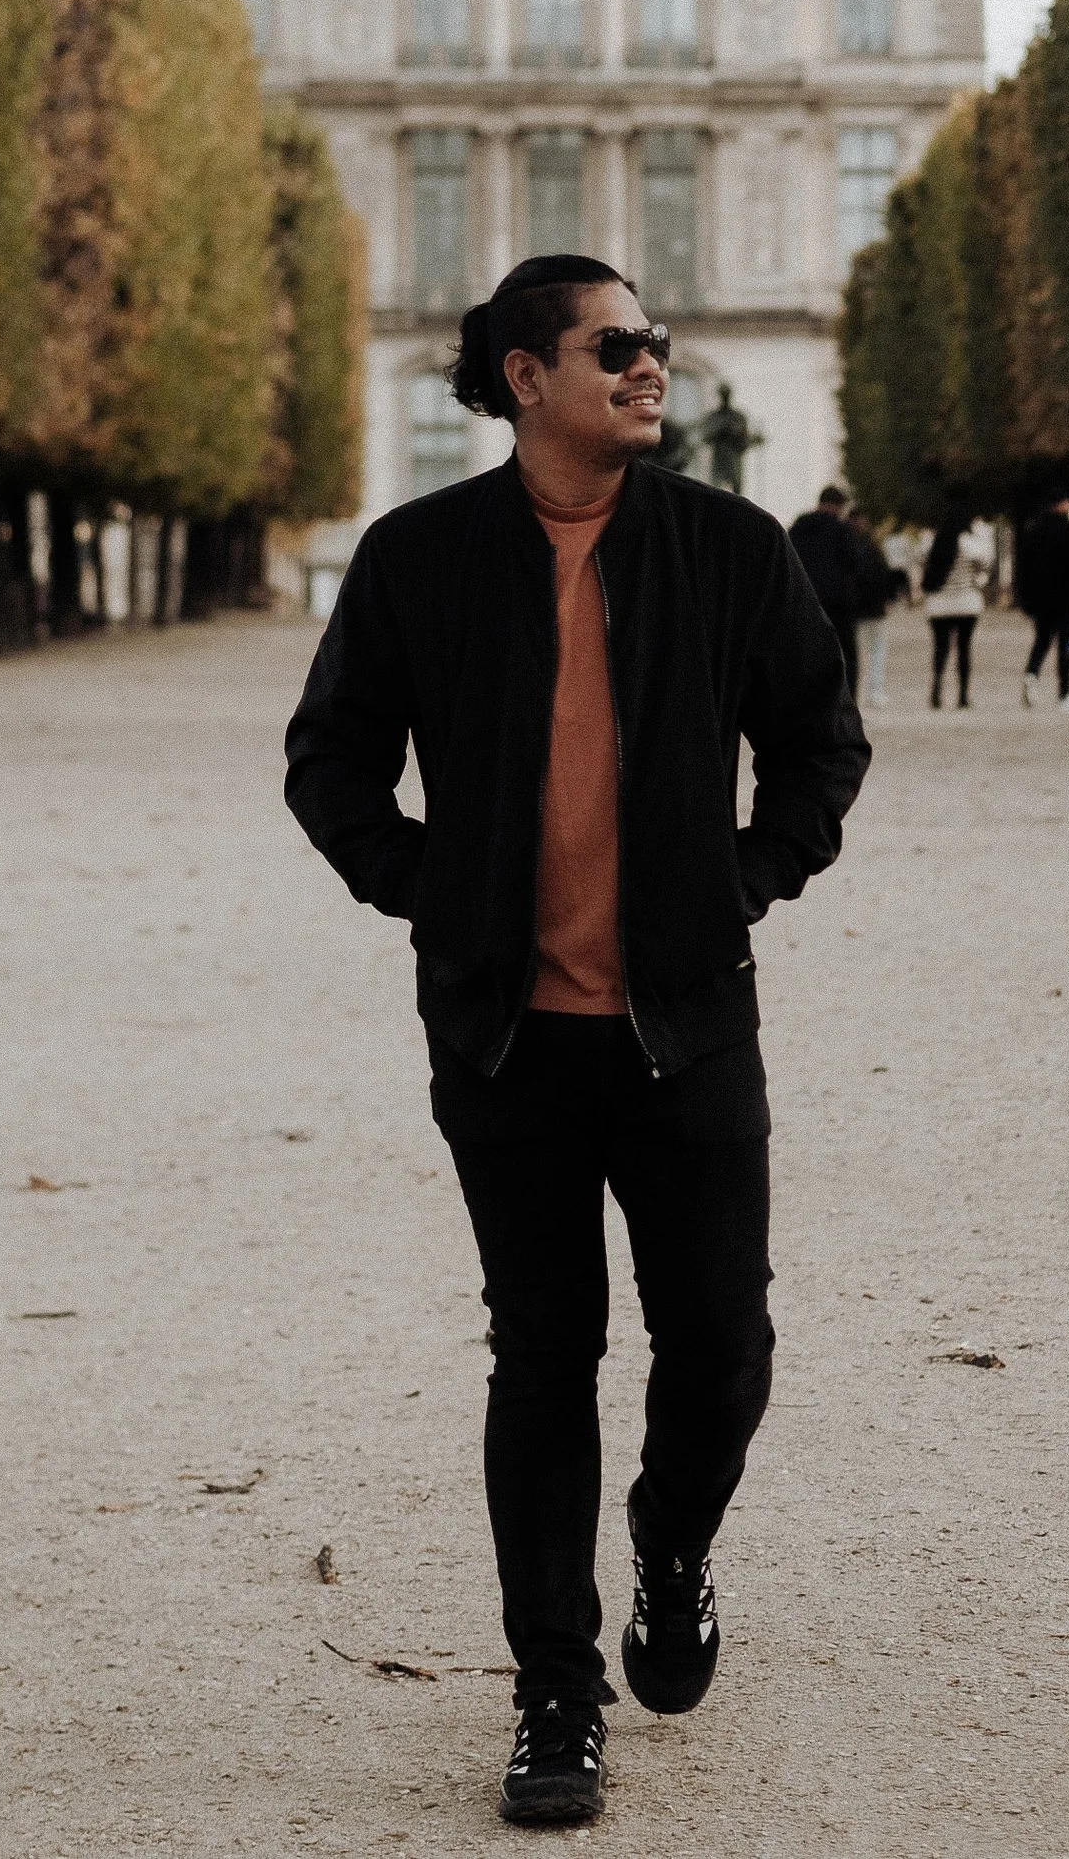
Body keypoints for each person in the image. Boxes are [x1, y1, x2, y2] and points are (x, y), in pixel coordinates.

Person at [283, 256, 869, 1828]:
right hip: (506, 1041)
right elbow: (329, 758)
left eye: (655, 343)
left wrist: (742, 876)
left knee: (725, 1349)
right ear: (526, 374)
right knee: (544, 1356)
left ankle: (671, 1545)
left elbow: (821, 740)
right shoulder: (419, 558)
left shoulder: (727, 548)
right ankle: (555, 1691)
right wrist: (433, 895)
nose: (649, 365)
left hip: (687, 1023)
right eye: (617, 345)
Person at [787, 483, 867, 699]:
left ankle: (808, 697)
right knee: (846, 654)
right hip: (838, 603)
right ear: (839, 506)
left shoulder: (799, 527)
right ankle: (847, 699)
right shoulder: (841, 530)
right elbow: (854, 563)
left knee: (808, 653)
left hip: (805, 600)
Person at [1014, 488, 1069, 711]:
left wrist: (1026, 599)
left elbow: (1023, 568)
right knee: (1066, 644)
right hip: (1066, 598)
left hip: (1041, 599)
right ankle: (1065, 693)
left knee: (1042, 640)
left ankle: (1031, 674)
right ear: (1062, 504)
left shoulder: (1033, 531)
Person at [921, 514, 994, 709]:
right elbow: (984, 565)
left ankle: (936, 689)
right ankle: (962, 695)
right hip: (966, 602)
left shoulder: (933, 541)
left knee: (940, 649)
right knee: (964, 649)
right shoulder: (969, 543)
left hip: (938, 604)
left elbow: (921, 562)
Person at [848, 512, 900, 710]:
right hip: (870, 607)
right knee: (874, 651)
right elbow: (884, 573)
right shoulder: (872, 547)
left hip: (861, 608)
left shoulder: (852, 544)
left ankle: (867, 692)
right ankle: (873, 692)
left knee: (865, 651)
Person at [697, 382, 763, 497]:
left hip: (734, 459)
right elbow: (706, 437)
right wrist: (719, 430)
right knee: (715, 493)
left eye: (726, 394)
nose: (724, 396)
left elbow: (744, 440)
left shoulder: (738, 417)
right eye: (723, 394)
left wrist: (748, 438)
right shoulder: (714, 416)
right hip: (719, 460)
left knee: (738, 494)